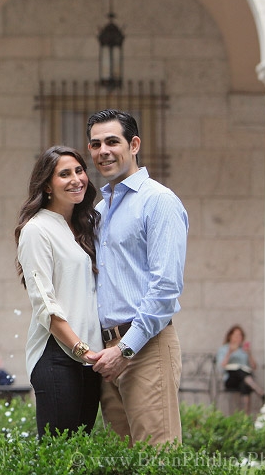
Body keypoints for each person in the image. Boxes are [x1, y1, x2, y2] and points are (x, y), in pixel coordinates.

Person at [86, 109, 188, 446]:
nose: (104, 151)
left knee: (156, 458)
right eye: (96, 144)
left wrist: (125, 349)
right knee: (124, 461)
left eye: (112, 141)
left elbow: (166, 287)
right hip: (107, 353)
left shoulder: (158, 201)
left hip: (144, 347)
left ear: (134, 145)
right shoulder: (101, 210)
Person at [14, 145, 103, 438]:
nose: (76, 179)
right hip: (58, 355)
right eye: (64, 174)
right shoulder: (37, 229)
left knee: (80, 455)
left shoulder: (82, 226)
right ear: (47, 186)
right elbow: (45, 305)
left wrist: (92, 353)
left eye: (79, 171)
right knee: (57, 456)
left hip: (89, 359)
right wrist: (80, 348)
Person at [216, 324, 265, 414]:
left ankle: (245, 417)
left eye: (240, 336)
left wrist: (249, 354)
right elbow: (221, 367)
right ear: (230, 336)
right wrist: (229, 352)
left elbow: (254, 367)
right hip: (231, 379)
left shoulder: (243, 350)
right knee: (239, 370)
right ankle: (260, 391)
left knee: (245, 384)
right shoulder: (224, 349)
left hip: (244, 379)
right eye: (235, 335)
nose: (238, 338)